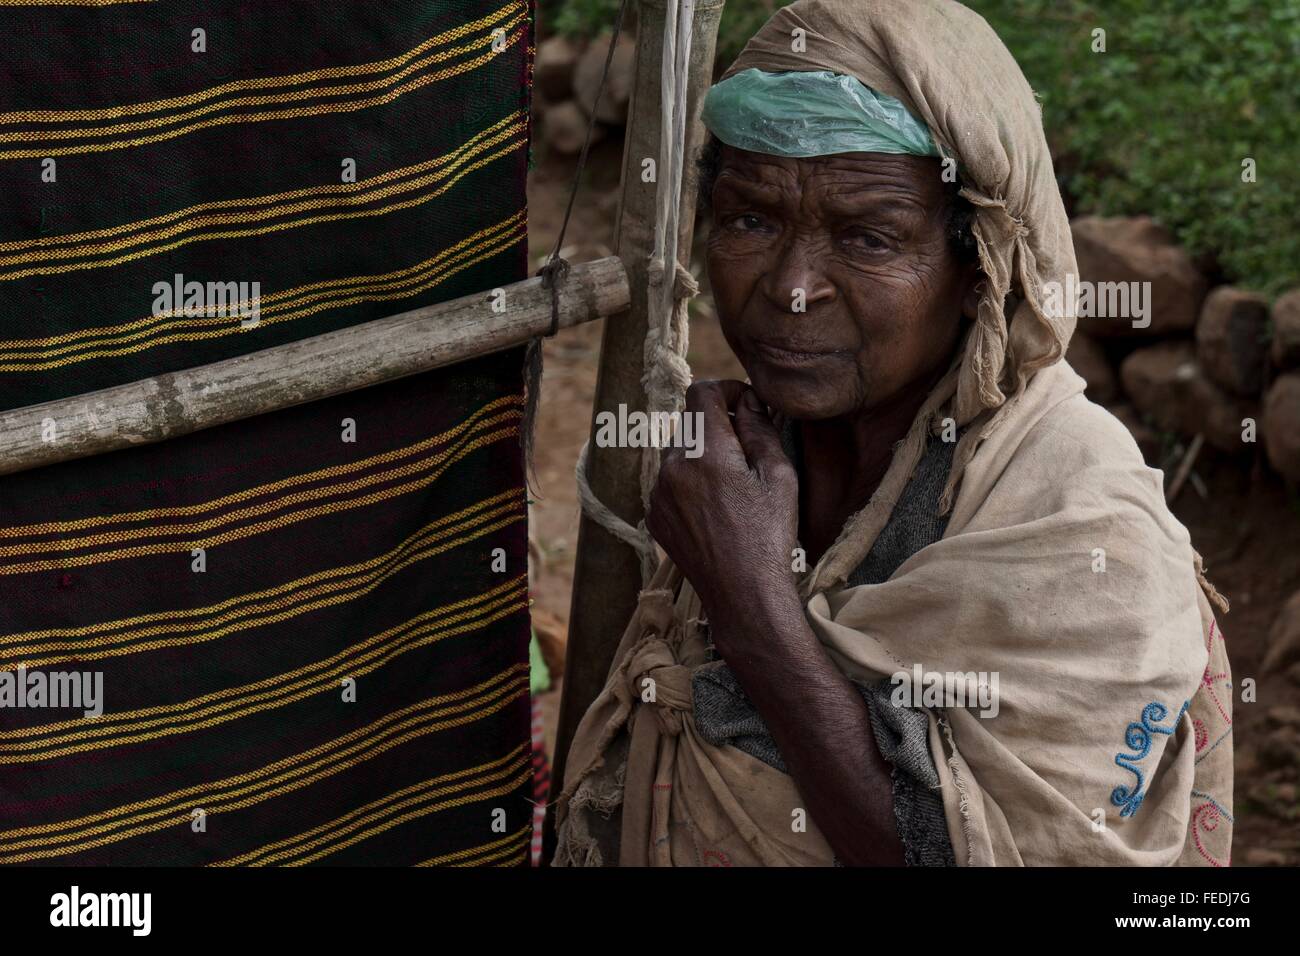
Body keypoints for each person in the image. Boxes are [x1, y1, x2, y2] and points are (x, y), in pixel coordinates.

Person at [553, 0, 1233, 867]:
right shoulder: (739, 455)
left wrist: (754, 608)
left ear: (979, 263)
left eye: (869, 238)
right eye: (750, 220)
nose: (793, 288)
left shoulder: (1081, 529)